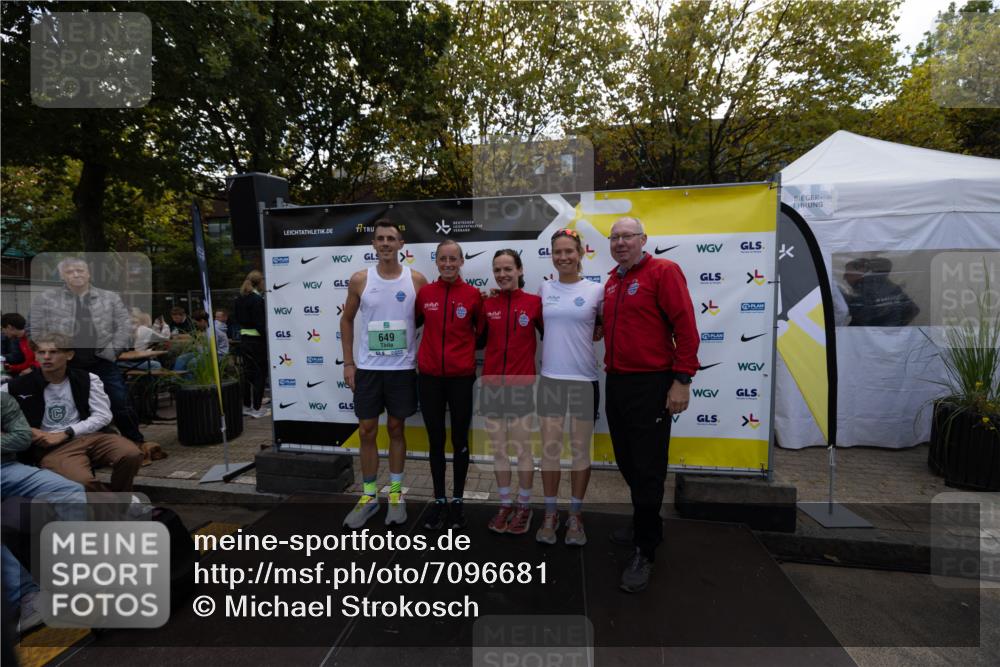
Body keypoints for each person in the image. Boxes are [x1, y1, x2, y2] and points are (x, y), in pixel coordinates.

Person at [602, 216, 699, 593]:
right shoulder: (612, 281)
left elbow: (686, 328)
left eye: (628, 236)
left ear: (643, 239)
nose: (620, 242)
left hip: (651, 384)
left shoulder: (664, 271)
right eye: (615, 237)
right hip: (617, 382)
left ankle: (646, 548)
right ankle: (646, 520)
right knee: (627, 460)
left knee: (648, 468)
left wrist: (682, 380)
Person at [340, 220, 427, 528]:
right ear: (374, 245)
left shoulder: (416, 280)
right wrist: (348, 363)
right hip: (368, 370)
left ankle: (395, 495)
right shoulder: (360, 279)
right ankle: (368, 496)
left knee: (396, 429)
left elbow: (428, 318)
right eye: (381, 239)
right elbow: (347, 320)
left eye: (392, 238)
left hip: (402, 370)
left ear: (401, 244)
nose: (386, 243)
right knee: (366, 431)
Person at [27, 257, 155, 451]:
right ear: (62, 276)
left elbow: (124, 326)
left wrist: (112, 352)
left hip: (102, 361)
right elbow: (33, 329)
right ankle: (85, 446)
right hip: (65, 364)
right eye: (70, 271)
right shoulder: (46, 300)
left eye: (80, 270)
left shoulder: (109, 297)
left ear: (88, 273)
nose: (76, 274)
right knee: (74, 405)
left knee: (119, 401)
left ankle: (136, 441)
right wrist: (49, 352)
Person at [3, 333, 144, 492]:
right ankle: (114, 504)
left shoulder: (87, 379)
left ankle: (121, 496)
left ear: (69, 355)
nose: (46, 357)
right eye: (41, 352)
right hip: (52, 448)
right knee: (82, 482)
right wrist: (27, 431)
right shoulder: (15, 386)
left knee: (132, 454)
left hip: (91, 436)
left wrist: (68, 432)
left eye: (54, 352)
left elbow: (103, 415)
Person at [536, 229, 603, 546]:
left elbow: (605, 324)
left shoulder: (597, 290)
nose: (563, 257)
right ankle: (550, 513)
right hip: (551, 379)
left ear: (580, 253)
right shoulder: (545, 287)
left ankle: (575, 514)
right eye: (558, 252)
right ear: (552, 255)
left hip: (583, 381)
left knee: (579, 452)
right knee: (549, 450)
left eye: (569, 251)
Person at [1, 392, 87, 636]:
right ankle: (27, 597)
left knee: (70, 490)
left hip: (5, 468)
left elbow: (21, 438)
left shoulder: (2, 400)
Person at [415, 240, 483, 530]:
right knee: (435, 441)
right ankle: (439, 500)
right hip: (430, 378)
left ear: (461, 261)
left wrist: (461, 355)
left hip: (461, 379)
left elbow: (481, 334)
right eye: (443, 259)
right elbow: (415, 323)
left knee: (459, 441)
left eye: (453, 259)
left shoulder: (473, 295)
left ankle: (457, 502)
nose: (448, 264)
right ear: (436, 261)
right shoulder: (425, 294)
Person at [480, 249, 543, 536]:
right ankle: (506, 503)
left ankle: (524, 505)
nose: (502, 274)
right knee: (499, 450)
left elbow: (553, 334)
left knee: (522, 449)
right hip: (492, 386)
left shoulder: (534, 303)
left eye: (508, 269)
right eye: (497, 270)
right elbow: (478, 339)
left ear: (519, 270)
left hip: (521, 386)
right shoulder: (487, 305)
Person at [843, 256, 920, 327]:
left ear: (861, 272)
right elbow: (913, 310)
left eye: (848, 274)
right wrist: (895, 329)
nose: (845, 278)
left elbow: (857, 315)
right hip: (887, 334)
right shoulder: (892, 287)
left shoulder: (865, 288)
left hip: (869, 335)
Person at [234, 271, 269, 418]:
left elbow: (237, 319)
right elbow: (260, 323)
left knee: (248, 374)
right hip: (257, 342)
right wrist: (267, 339)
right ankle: (257, 408)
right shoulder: (257, 300)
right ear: (259, 282)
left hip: (244, 340)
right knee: (259, 374)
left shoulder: (239, 299)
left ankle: (247, 406)